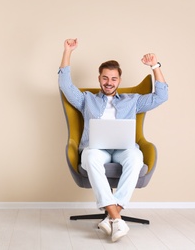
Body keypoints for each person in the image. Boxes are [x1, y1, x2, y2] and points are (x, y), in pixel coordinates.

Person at [58, 38, 168, 242]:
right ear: (99, 78)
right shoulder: (86, 99)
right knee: (89, 158)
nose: (109, 82)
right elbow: (65, 84)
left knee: (136, 159)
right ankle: (116, 217)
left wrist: (155, 66)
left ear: (119, 80)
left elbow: (161, 96)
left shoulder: (133, 100)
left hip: (123, 149)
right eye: (105, 78)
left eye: (113, 79)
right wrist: (67, 52)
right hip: (95, 148)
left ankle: (112, 216)